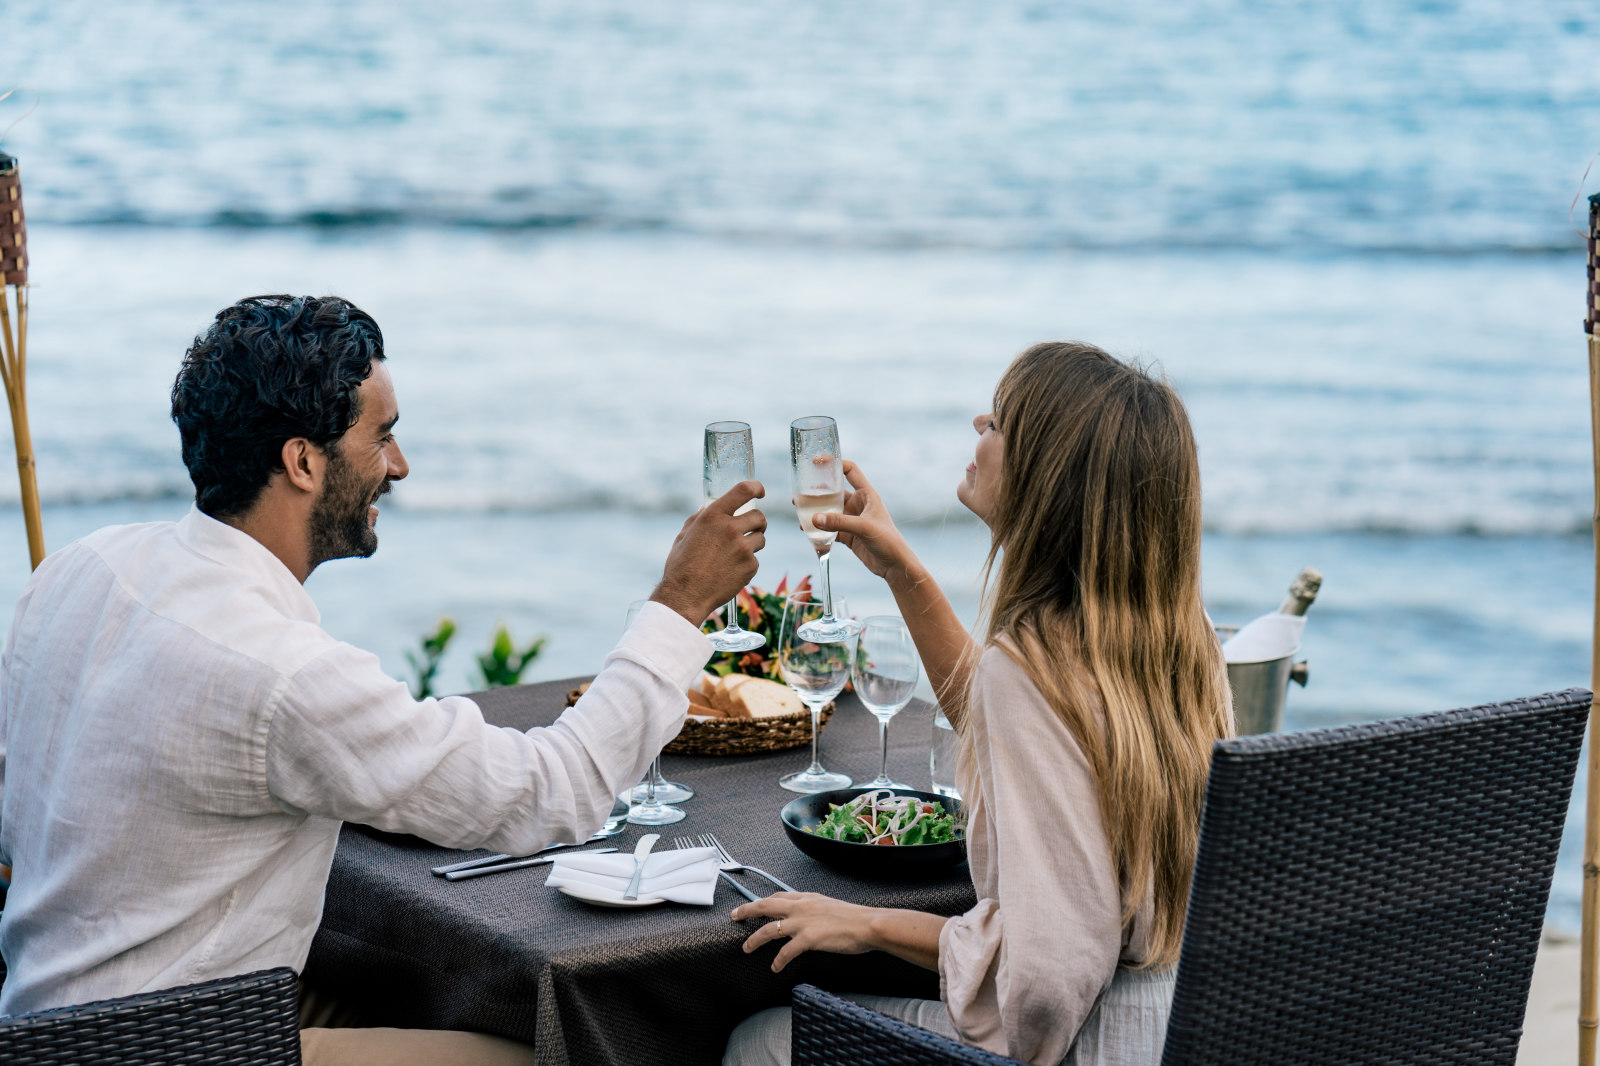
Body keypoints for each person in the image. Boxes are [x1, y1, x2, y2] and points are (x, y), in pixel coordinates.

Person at [0, 295, 765, 1065]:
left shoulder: (79, 568)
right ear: (303, 462)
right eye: (382, 436)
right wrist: (679, 604)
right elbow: (553, 793)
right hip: (189, 1047)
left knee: (396, 993)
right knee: (565, 1054)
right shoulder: (283, 673)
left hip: (39, 1028)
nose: (398, 466)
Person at [722, 342, 1232, 1066]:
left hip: (1087, 1045)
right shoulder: (1184, 641)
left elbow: (1045, 984)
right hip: (1185, 1026)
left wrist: (870, 926)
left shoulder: (1027, 668)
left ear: (1046, 477)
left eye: (1001, 421)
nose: (978, 423)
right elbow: (1017, 731)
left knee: (758, 1042)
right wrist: (902, 570)